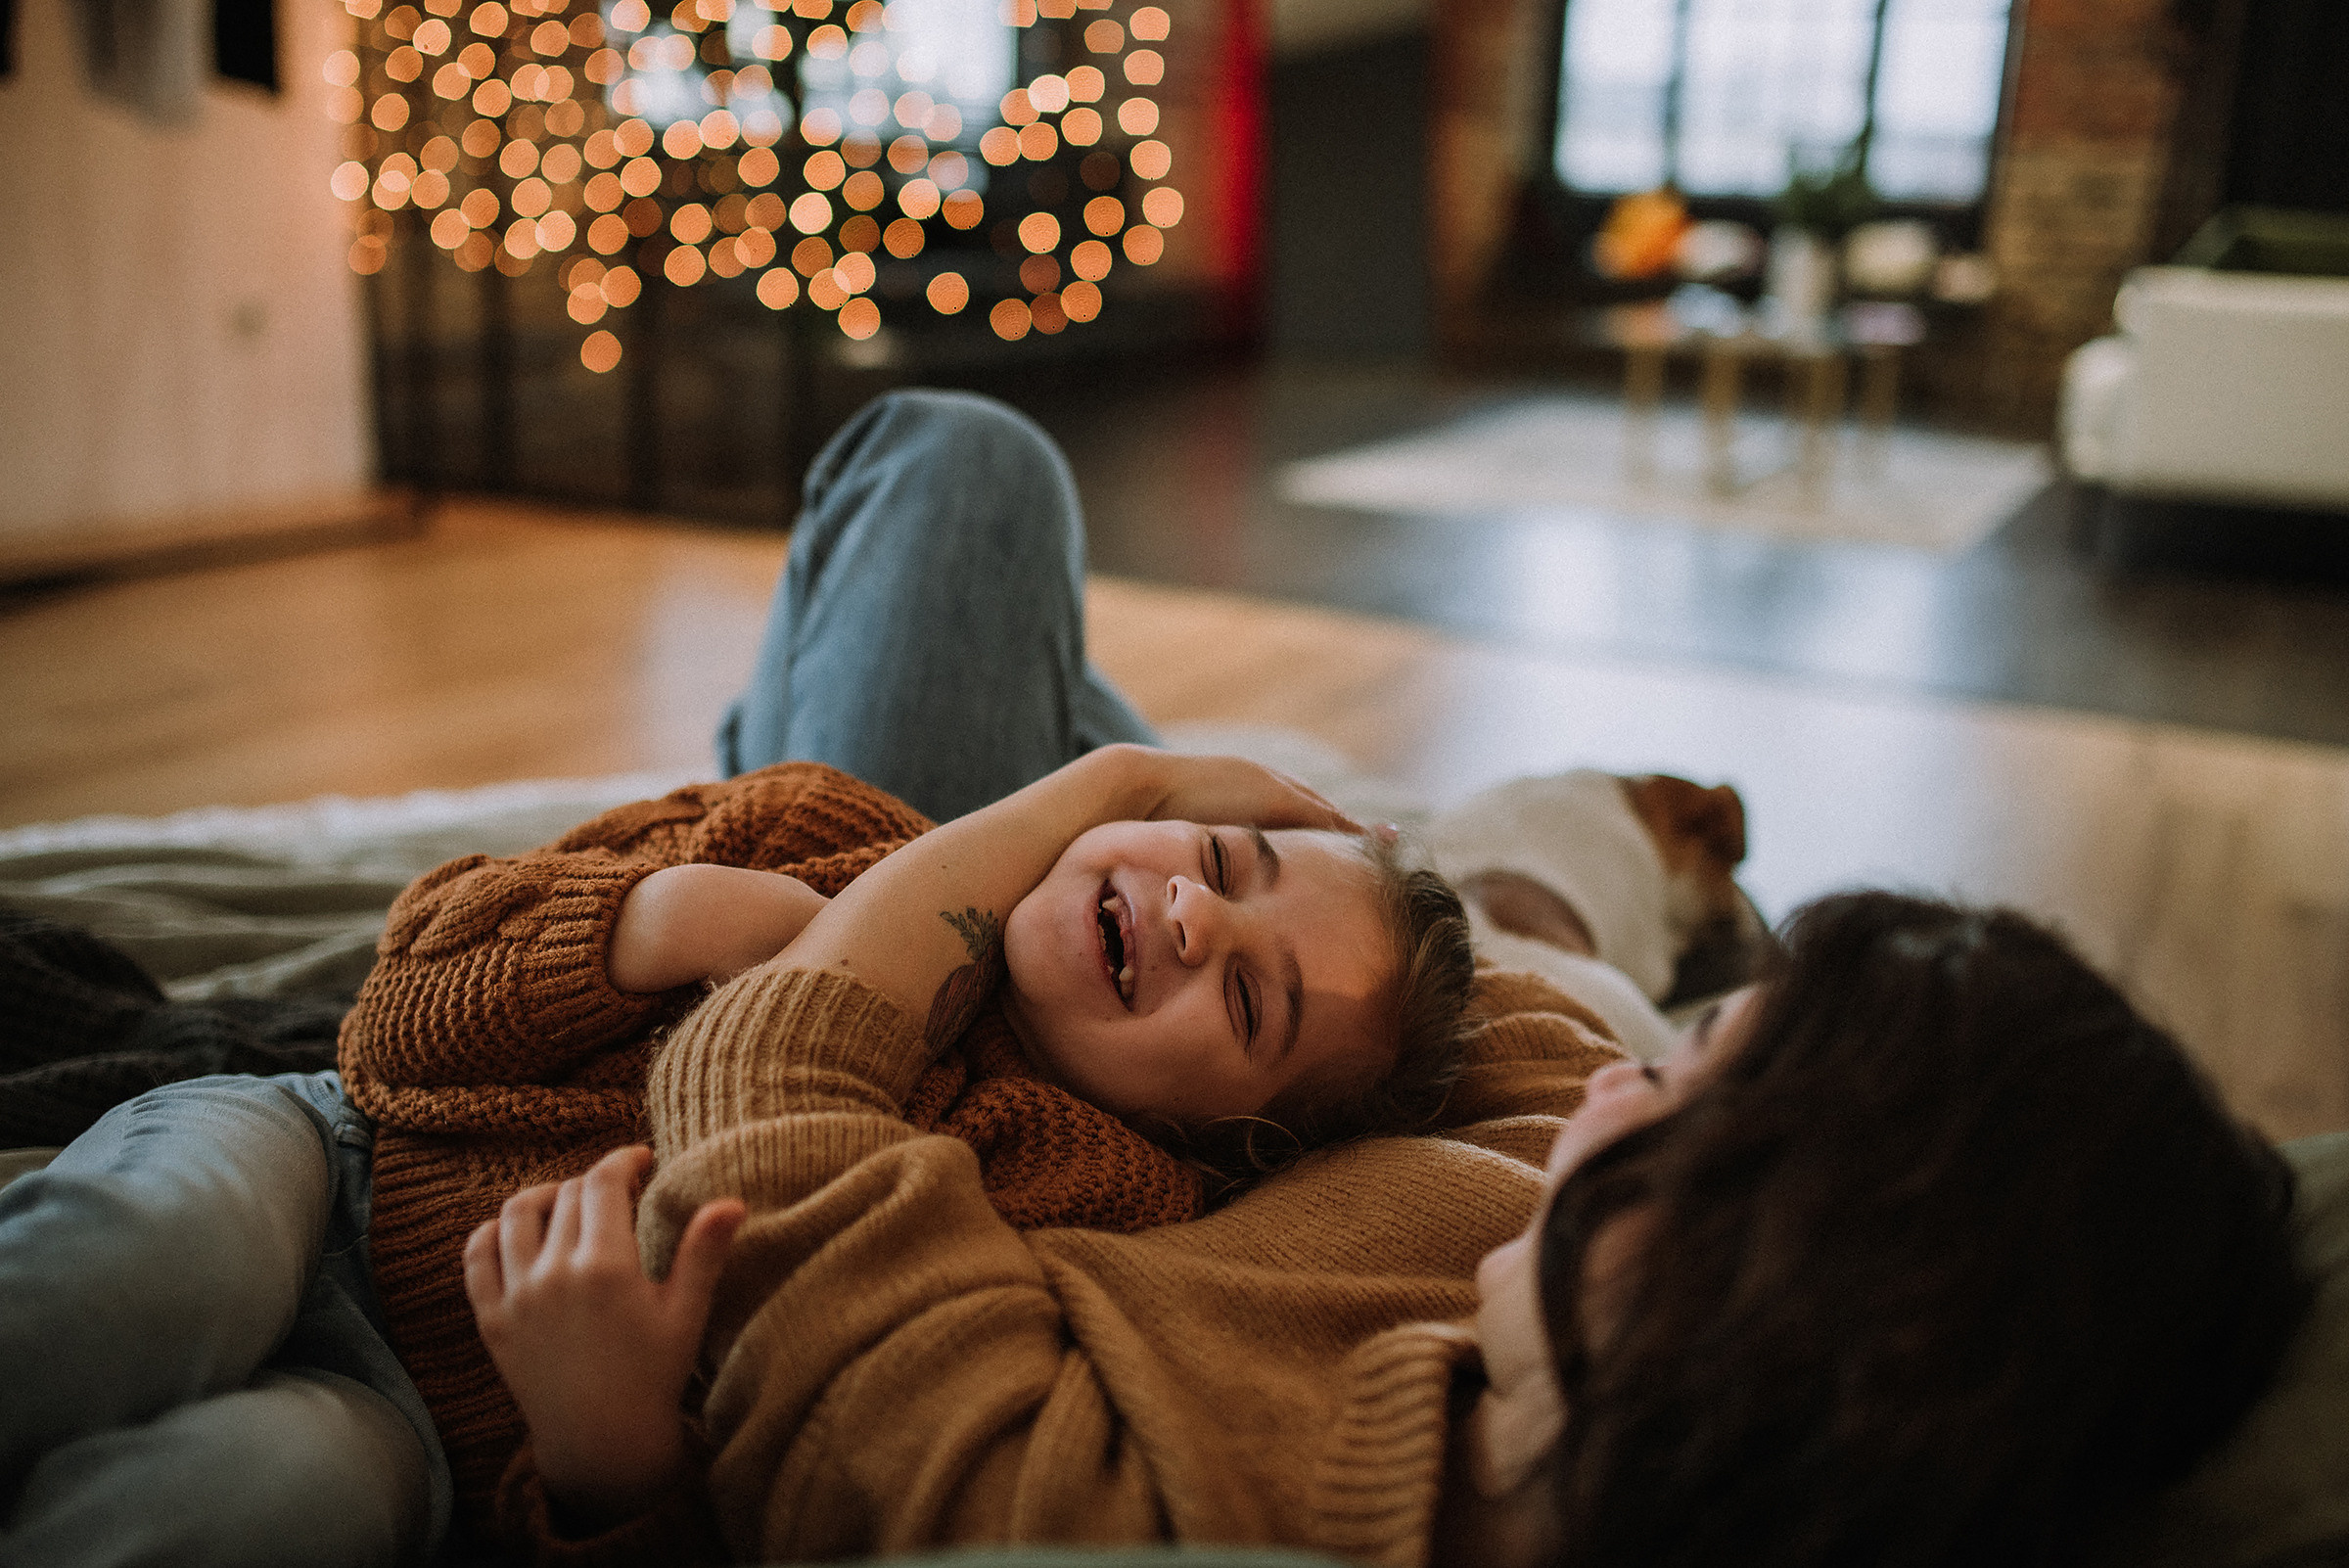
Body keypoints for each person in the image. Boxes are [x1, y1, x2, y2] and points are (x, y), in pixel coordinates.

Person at [484, 882, 2307, 1568]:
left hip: (774, 1048)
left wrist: (1078, 814)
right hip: (1116, 984)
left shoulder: (1113, 1520)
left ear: (1755, 1272)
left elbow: (774, 1094)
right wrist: (1258, 867)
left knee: (953, 469)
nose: (1626, 1081)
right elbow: (1521, 1016)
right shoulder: (1538, 1278)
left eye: (1682, 1092)